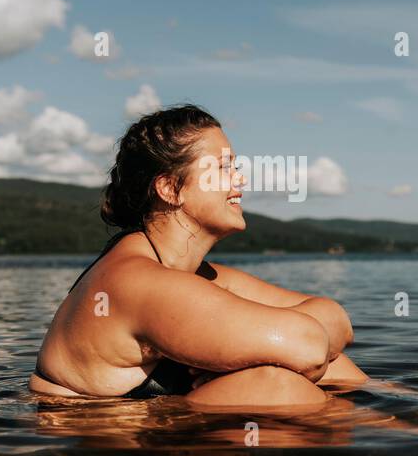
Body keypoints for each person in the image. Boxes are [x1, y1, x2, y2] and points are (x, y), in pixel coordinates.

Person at [29, 104, 368, 408]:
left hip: (160, 446)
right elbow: (307, 347)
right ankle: (388, 445)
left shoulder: (197, 276)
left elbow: (339, 321)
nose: (239, 179)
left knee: (330, 366)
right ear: (170, 189)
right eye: (223, 167)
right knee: (276, 384)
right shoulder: (138, 280)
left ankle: (394, 429)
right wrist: (257, 362)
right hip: (109, 452)